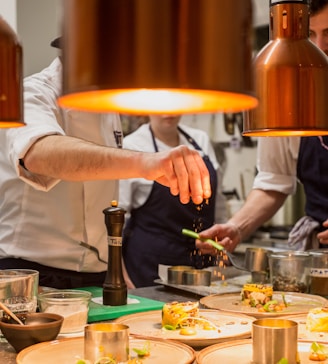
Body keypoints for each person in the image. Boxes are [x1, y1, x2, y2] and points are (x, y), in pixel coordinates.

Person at [0, 44, 211, 289]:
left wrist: (120, 274)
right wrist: (146, 161)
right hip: (30, 275)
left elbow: (102, 206)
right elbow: (40, 154)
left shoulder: (107, 109)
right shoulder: (31, 93)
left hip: (97, 277)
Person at [197, 0, 328, 255]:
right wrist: (237, 227)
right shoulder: (288, 95)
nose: (319, 47)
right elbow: (273, 182)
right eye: (309, 35)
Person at [119, 115, 227, 288]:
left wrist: (221, 239)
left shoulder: (201, 140)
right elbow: (117, 223)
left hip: (203, 266)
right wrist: (122, 278)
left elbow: (219, 201)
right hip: (151, 268)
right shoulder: (132, 146)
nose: (167, 113)